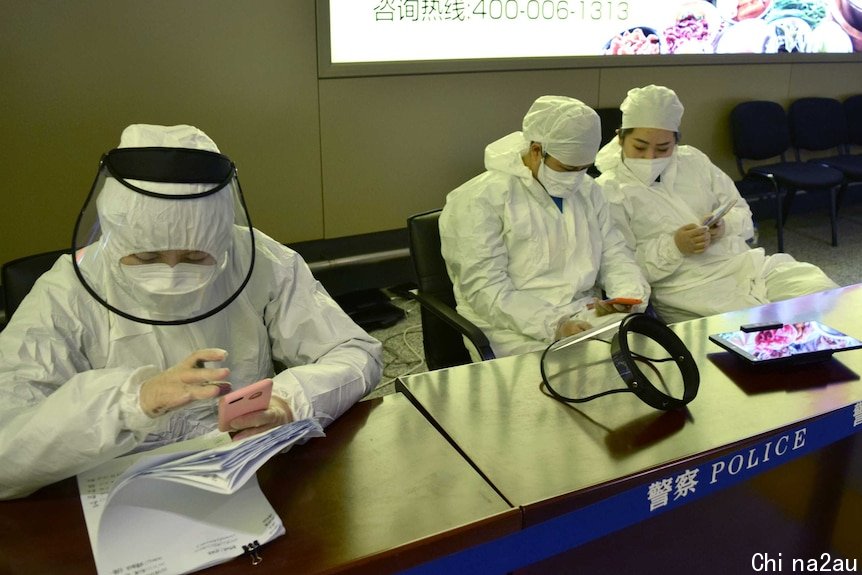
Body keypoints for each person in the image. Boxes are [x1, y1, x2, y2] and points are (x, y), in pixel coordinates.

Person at [0, 124, 382, 500]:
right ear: (115, 236)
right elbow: (7, 447)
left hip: (247, 473)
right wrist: (130, 402)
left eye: (195, 256)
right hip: (120, 492)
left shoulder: (258, 259)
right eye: (147, 256)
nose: (170, 274)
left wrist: (288, 402)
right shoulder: (67, 290)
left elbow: (355, 352)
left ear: (221, 237)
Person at [595, 85, 838, 323]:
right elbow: (619, 266)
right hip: (688, 288)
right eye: (639, 147)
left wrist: (724, 226)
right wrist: (674, 246)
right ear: (620, 138)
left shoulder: (693, 161)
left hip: (745, 266)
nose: (650, 157)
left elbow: (742, 212)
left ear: (676, 143)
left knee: (824, 296)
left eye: (663, 148)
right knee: (763, 331)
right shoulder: (610, 189)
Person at [439, 96, 651, 358]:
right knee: (555, 388)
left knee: (644, 360)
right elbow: (486, 291)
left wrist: (626, 296)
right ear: (537, 150)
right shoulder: (478, 200)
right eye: (567, 168)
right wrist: (555, 324)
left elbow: (615, 253)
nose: (576, 179)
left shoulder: (588, 192)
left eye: (584, 169)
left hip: (585, 314)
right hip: (512, 328)